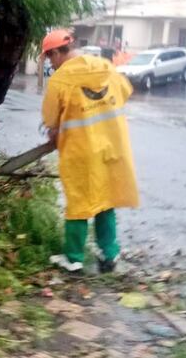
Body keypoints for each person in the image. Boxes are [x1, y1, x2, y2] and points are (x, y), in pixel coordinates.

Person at [40, 29, 139, 274]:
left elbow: (50, 118)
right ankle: (109, 253)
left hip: (81, 150)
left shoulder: (60, 79)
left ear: (56, 52)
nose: (51, 63)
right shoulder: (105, 66)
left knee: (79, 201)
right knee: (106, 198)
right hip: (112, 146)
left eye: (50, 57)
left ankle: (73, 258)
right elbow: (125, 92)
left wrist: (56, 128)